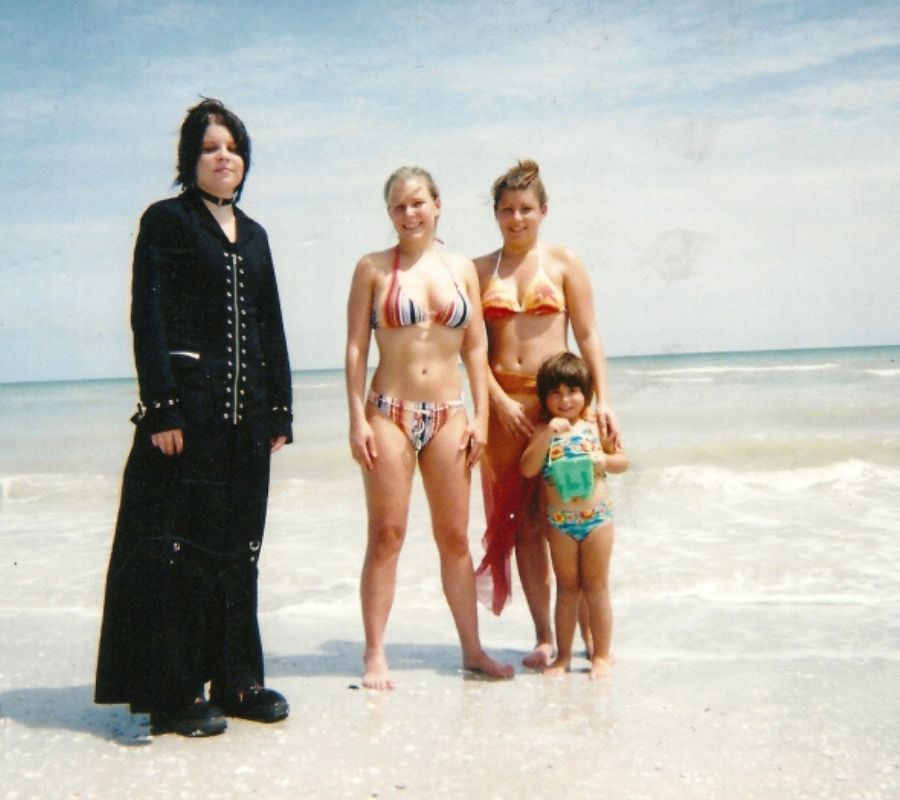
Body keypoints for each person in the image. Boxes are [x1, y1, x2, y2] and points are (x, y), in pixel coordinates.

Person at [95, 99, 293, 737]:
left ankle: (237, 679)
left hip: (245, 421)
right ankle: (174, 691)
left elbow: (270, 328)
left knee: (240, 551)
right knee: (178, 551)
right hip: (190, 418)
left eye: (232, 146)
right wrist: (162, 408)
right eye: (211, 147)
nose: (224, 156)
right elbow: (147, 317)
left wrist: (279, 411)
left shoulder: (256, 235)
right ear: (191, 159)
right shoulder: (167, 222)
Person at [345, 166, 515, 690]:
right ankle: (375, 654)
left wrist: (483, 417)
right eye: (398, 206)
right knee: (387, 536)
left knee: (454, 539)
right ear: (390, 214)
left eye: (418, 203)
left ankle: (471, 649)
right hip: (388, 410)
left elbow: (477, 348)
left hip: (448, 414)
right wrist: (357, 419)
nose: (409, 214)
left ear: (437, 204)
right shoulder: (372, 268)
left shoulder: (462, 268)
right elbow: (355, 348)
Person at [474, 159, 620, 668]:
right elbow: (471, 350)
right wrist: (495, 400)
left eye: (526, 210)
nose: (517, 219)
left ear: (543, 211)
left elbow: (589, 334)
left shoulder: (563, 262)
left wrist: (603, 402)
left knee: (570, 510)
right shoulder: (477, 270)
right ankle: (543, 636)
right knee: (524, 527)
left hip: (556, 401)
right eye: (508, 210)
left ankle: (588, 640)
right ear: (495, 213)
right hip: (503, 409)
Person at [520, 353, 628, 679]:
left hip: (597, 517)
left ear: (586, 392)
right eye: (555, 393)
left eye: (572, 391)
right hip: (561, 522)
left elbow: (622, 460)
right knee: (567, 589)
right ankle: (563, 656)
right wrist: (547, 435)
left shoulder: (596, 425)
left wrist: (603, 461)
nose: (565, 400)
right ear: (544, 398)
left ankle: (602, 655)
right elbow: (528, 468)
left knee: (596, 588)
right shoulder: (543, 430)